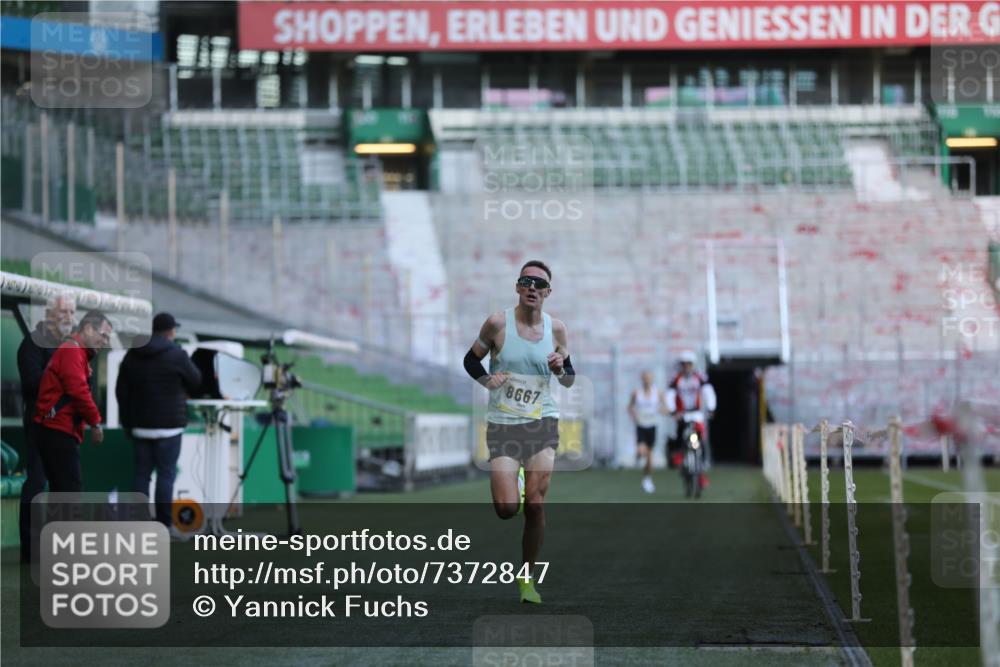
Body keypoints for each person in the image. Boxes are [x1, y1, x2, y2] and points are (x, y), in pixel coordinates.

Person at [463, 260, 575, 604]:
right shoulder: (498, 323)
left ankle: (526, 577)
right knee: (506, 508)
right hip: (503, 424)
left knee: (536, 507)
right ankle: (519, 482)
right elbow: (470, 360)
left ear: (547, 293)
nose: (532, 287)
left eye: (538, 284)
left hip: (542, 422)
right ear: (517, 287)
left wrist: (561, 367)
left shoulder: (556, 330)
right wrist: (487, 379)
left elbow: (569, 379)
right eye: (526, 281)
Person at [116, 313, 202, 528]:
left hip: (140, 426)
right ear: (171, 332)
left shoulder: (133, 354)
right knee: (166, 475)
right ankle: (164, 525)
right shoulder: (178, 354)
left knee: (141, 474)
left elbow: (121, 391)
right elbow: (196, 381)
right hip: (170, 428)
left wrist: (128, 422)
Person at [16, 293, 76, 562]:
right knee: (37, 483)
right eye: (64, 312)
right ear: (49, 314)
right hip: (41, 424)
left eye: (72, 312)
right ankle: (31, 549)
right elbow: (31, 384)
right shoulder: (32, 343)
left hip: (67, 425)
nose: (69, 317)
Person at [33, 309, 112, 492]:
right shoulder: (72, 350)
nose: (105, 341)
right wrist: (95, 422)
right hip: (57, 430)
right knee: (70, 492)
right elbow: (78, 391)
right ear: (88, 329)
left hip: (55, 428)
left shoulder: (75, 351)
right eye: (104, 335)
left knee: (62, 492)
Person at [666, 350, 717, 490]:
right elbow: (669, 395)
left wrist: (711, 408)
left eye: (689, 364)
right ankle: (680, 454)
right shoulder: (676, 378)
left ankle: (701, 467)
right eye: (684, 364)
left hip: (696, 413)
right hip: (682, 414)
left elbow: (708, 392)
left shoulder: (699, 377)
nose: (686, 367)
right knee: (679, 435)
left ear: (692, 365)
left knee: (700, 439)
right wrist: (673, 411)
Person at [628, 370, 664, 493]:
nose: (647, 380)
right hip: (641, 426)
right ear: (642, 379)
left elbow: (665, 407)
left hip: (652, 426)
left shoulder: (657, 393)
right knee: (641, 450)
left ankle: (647, 479)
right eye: (645, 378)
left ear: (652, 379)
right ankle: (638, 454)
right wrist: (634, 415)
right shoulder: (636, 393)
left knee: (649, 458)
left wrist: (663, 410)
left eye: (649, 378)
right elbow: (630, 407)